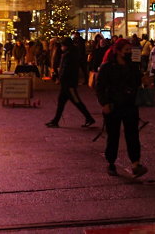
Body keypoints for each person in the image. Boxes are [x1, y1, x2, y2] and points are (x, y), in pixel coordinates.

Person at [95, 38, 148, 177]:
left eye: (130, 50)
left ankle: (136, 163)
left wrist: (144, 81)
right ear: (118, 51)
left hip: (130, 104)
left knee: (133, 135)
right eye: (126, 50)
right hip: (113, 105)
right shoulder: (107, 67)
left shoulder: (132, 66)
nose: (129, 52)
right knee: (113, 135)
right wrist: (104, 103)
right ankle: (111, 162)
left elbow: (137, 82)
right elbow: (99, 87)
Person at [46, 37, 96, 128]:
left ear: (66, 46)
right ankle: (55, 120)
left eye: (62, 46)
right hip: (67, 83)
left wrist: (60, 78)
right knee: (61, 102)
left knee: (77, 101)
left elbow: (65, 69)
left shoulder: (69, 55)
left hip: (69, 84)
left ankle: (89, 118)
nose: (61, 47)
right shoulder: (71, 53)